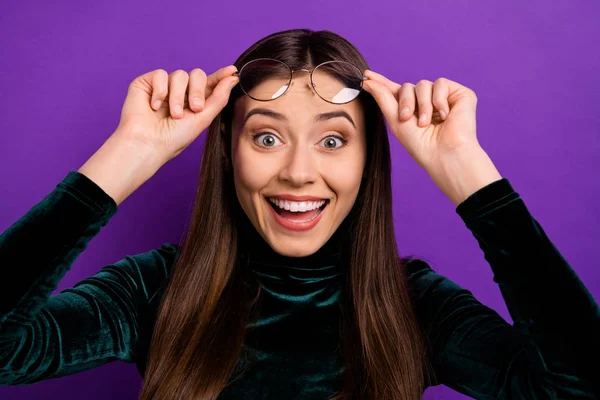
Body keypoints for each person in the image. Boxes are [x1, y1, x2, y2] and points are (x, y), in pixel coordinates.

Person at [0, 28, 597, 400]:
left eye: (333, 141)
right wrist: (130, 152)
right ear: (228, 152)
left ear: (368, 162)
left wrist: (468, 171)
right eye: (265, 138)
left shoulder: (417, 307)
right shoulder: (152, 290)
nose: (298, 172)